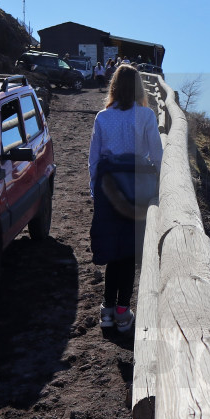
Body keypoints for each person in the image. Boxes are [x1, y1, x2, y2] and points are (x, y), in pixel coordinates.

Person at [88, 64, 163, 332]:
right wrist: (160, 189)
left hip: (109, 190)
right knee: (129, 252)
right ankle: (123, 313)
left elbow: (94, 159)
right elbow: (157, 155)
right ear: (139, 88)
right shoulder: (146, 115)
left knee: (112, 251)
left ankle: (106, 312)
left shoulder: (102, 117)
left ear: (114, 87)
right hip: (137, 189)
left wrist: (95, 191)